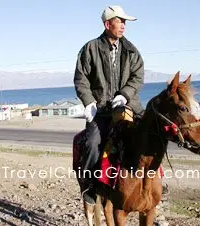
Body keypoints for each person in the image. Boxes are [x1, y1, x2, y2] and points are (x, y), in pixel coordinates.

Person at [73, 5, 145, 204]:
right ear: (107, 24)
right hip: (102, 111)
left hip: (128, 105)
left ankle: (156, 181)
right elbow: (81, 79)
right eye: (119, 21)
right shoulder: (90, 48)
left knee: (149, 133)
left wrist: (125, 94)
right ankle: (89, 185)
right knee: (92, 142)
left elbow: (138, 77)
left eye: (124, 22)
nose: (123, 26)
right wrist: (88, 103)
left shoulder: (131, 50)